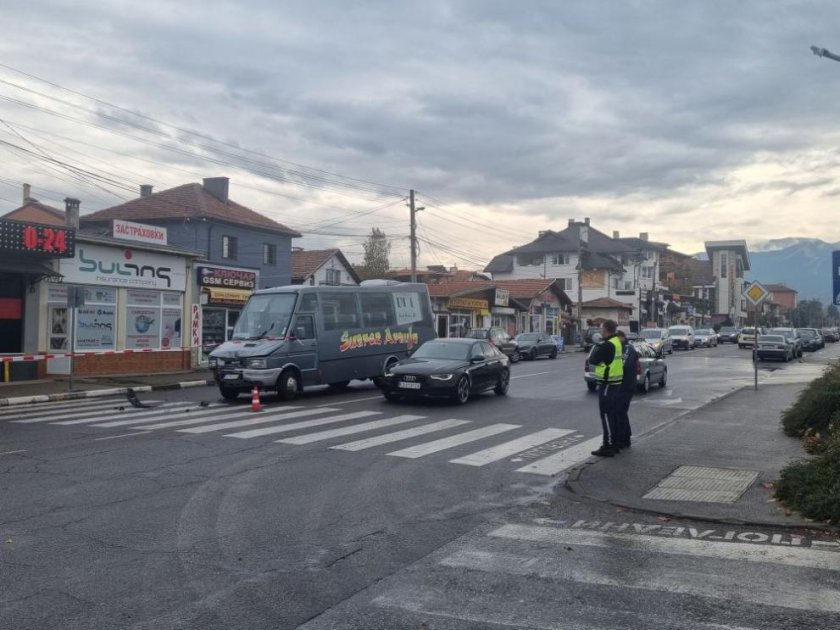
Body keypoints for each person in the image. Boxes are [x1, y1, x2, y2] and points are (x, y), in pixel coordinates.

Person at [588, 319, 623, 457]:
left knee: (606, 414)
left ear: (607, 330)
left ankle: (607, 445)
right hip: (615, 383)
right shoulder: (616, 342)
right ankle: (615, 443)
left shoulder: (607, 345)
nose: (601, 331)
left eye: (602, 329)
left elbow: (593, 360)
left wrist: (598, 345)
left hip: (607, 383)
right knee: (612, 415)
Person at [614, 330, 639, 449]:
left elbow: (624, 365)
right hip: (622, 385)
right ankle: (625, 437)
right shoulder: (621, 349)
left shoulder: (628, 349)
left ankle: (623, 438)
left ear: (622, 338)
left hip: (625, 386)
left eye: (617, 338)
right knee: (620, 412)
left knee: (619, 412)